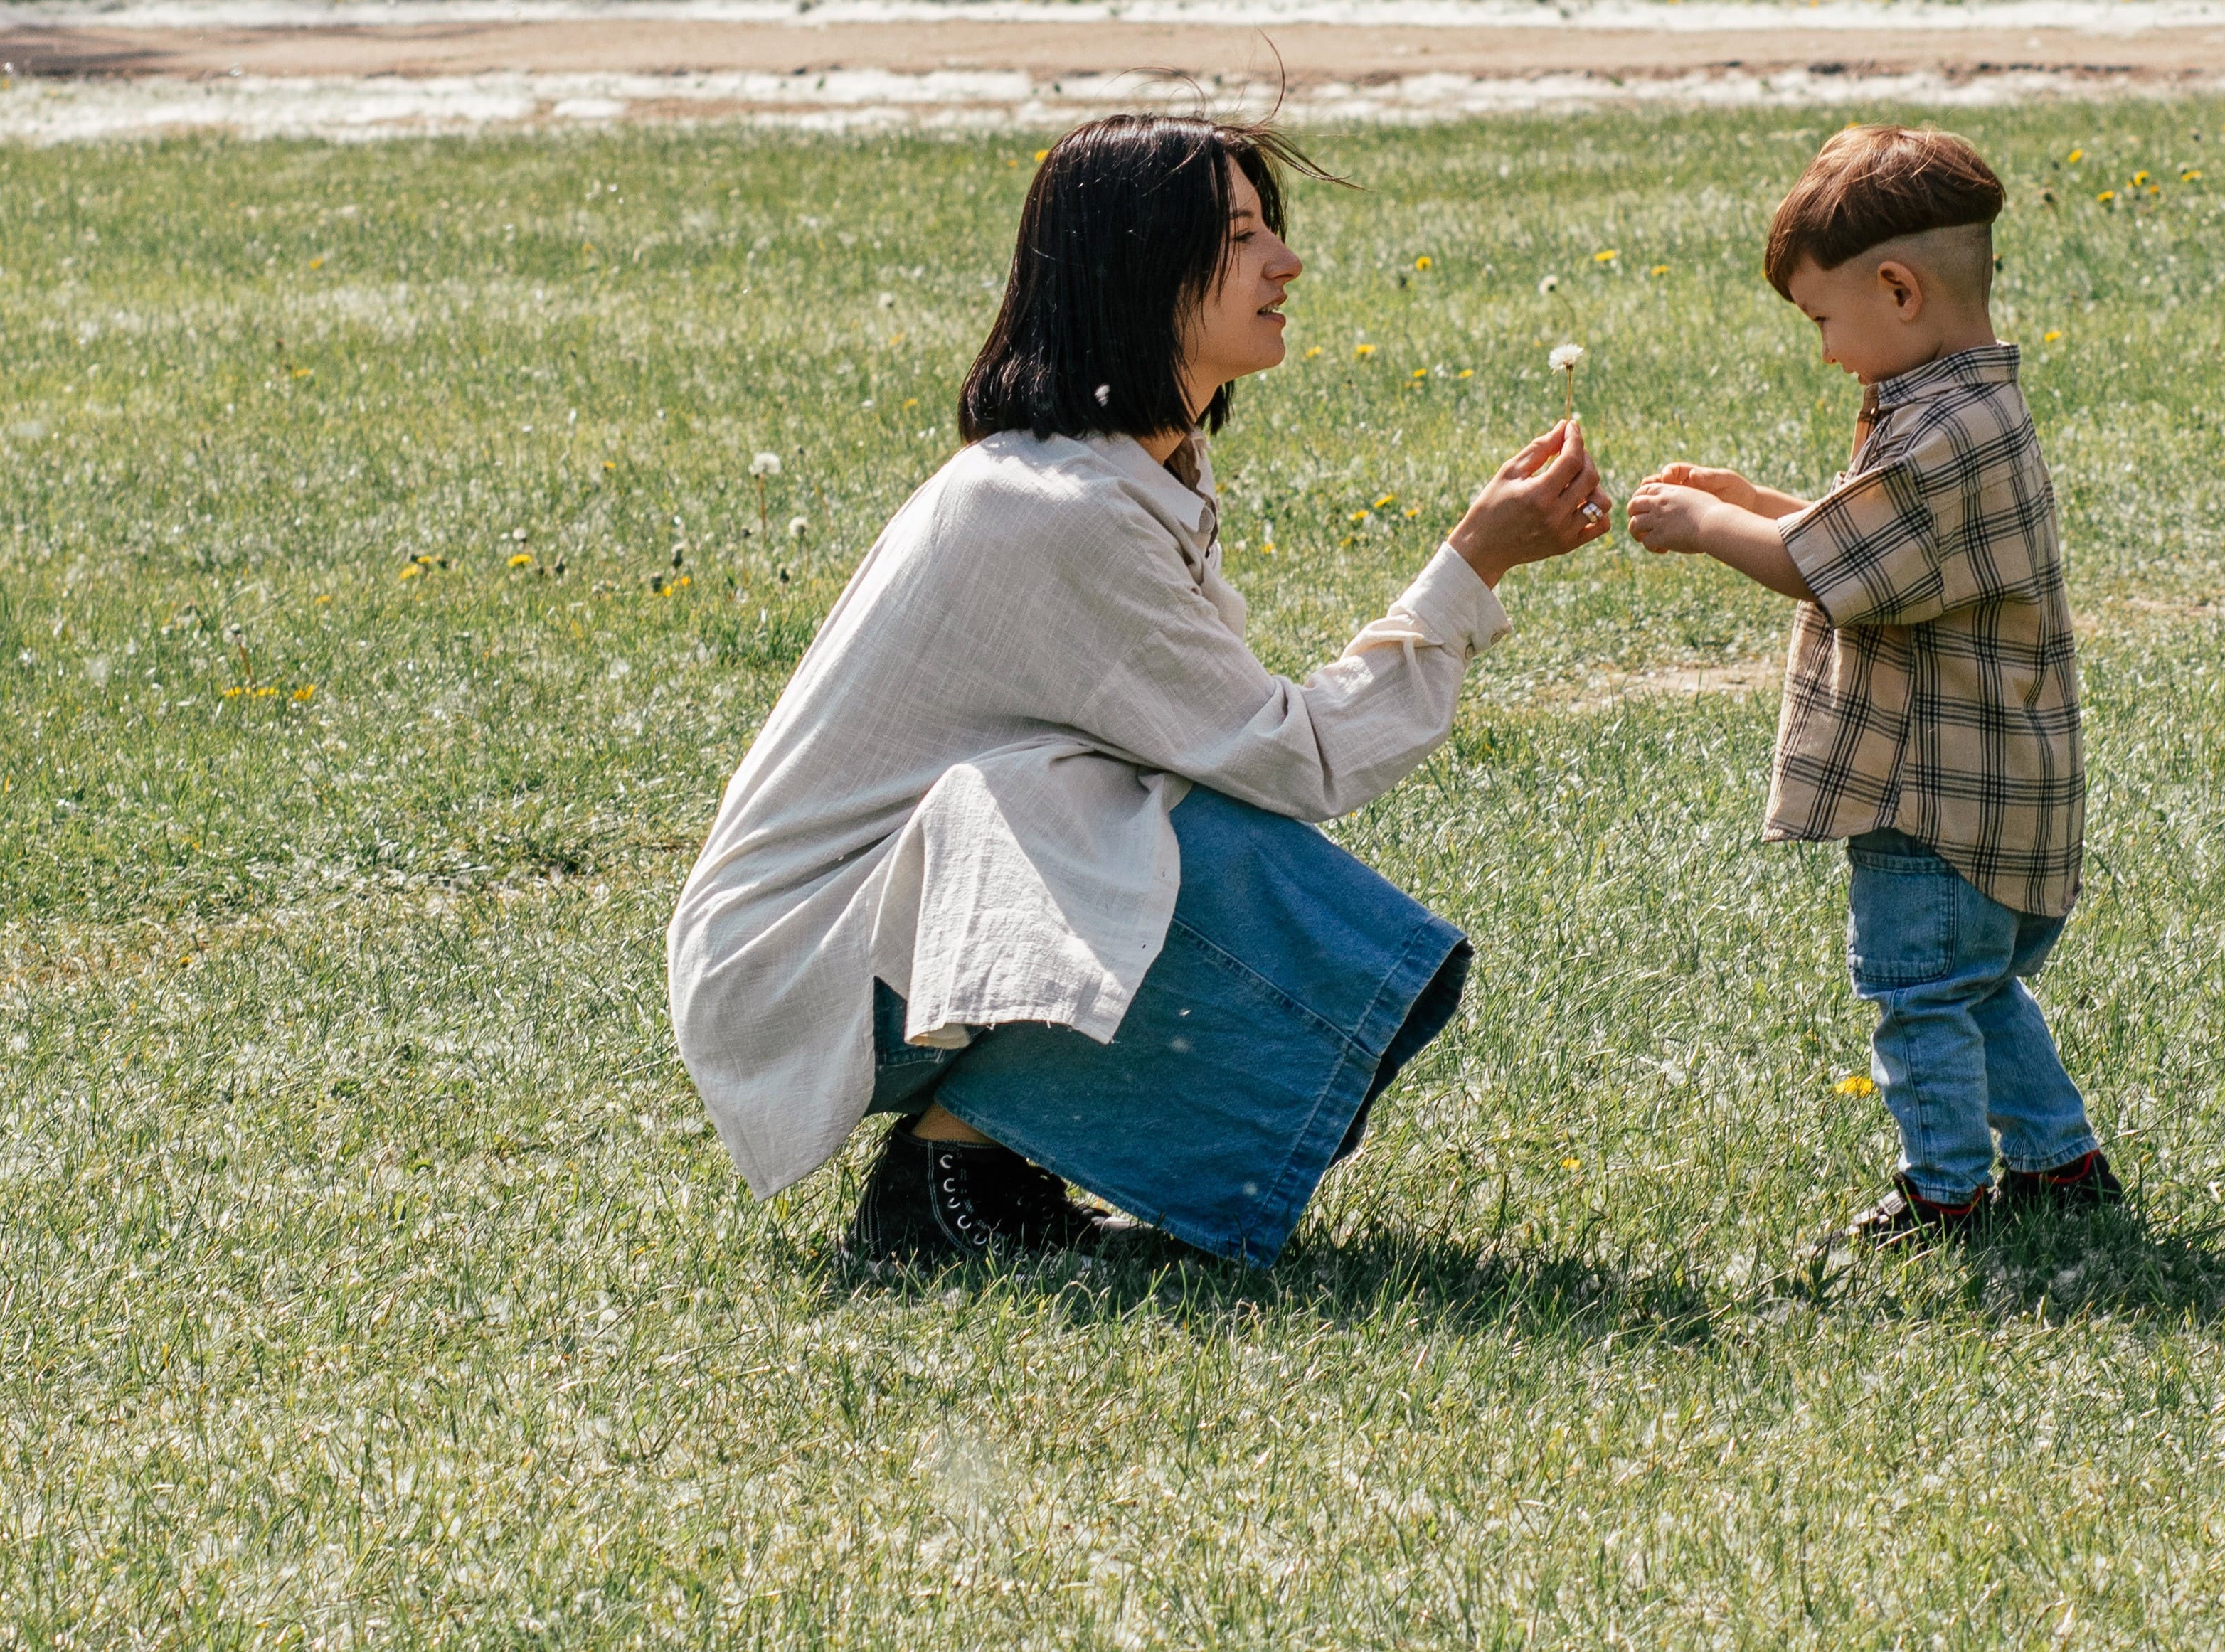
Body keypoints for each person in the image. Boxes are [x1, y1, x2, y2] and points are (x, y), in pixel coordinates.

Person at [666, 112, 1612, 1267]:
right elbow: (1294, 758)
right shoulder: (1055, 509)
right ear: (1135, 266)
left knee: (1120, 803)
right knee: (1167, 833)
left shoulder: (1123, 470)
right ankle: (943, 1186)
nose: (1285, 263)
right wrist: (1473, 568)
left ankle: (982, 1170)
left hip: (855, 947)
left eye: (1273, 228)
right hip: (798, 976)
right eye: (1240, 236)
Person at [1623, 124, 2119, 1247]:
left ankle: (1946, 1191)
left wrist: (1710, 527)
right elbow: (1880, 541)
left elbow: (1827, 565)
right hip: (1993, 787)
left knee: (1922, 996)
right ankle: (2062, 1164)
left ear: (1898, 289)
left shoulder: (1943, 433)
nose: (1826, 348)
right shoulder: (1961, 410)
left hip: (1933, 796)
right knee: (1978, 991)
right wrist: (1757, 499)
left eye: (1822, 319)